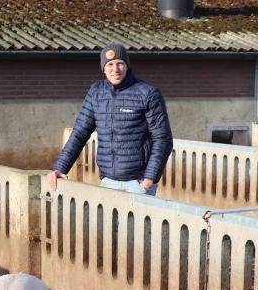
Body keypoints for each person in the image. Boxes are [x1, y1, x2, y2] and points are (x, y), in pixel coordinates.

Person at [47, 43, 173, 196]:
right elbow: (79, 133)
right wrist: (60, 168)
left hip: (138, 183)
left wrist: (149, 180)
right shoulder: (96, 92)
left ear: (127, 66)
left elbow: (162, 139)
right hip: (107, 181)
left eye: (120, 63)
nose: (115, 69)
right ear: (103, 69)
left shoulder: (148, 93)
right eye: (110, 64)